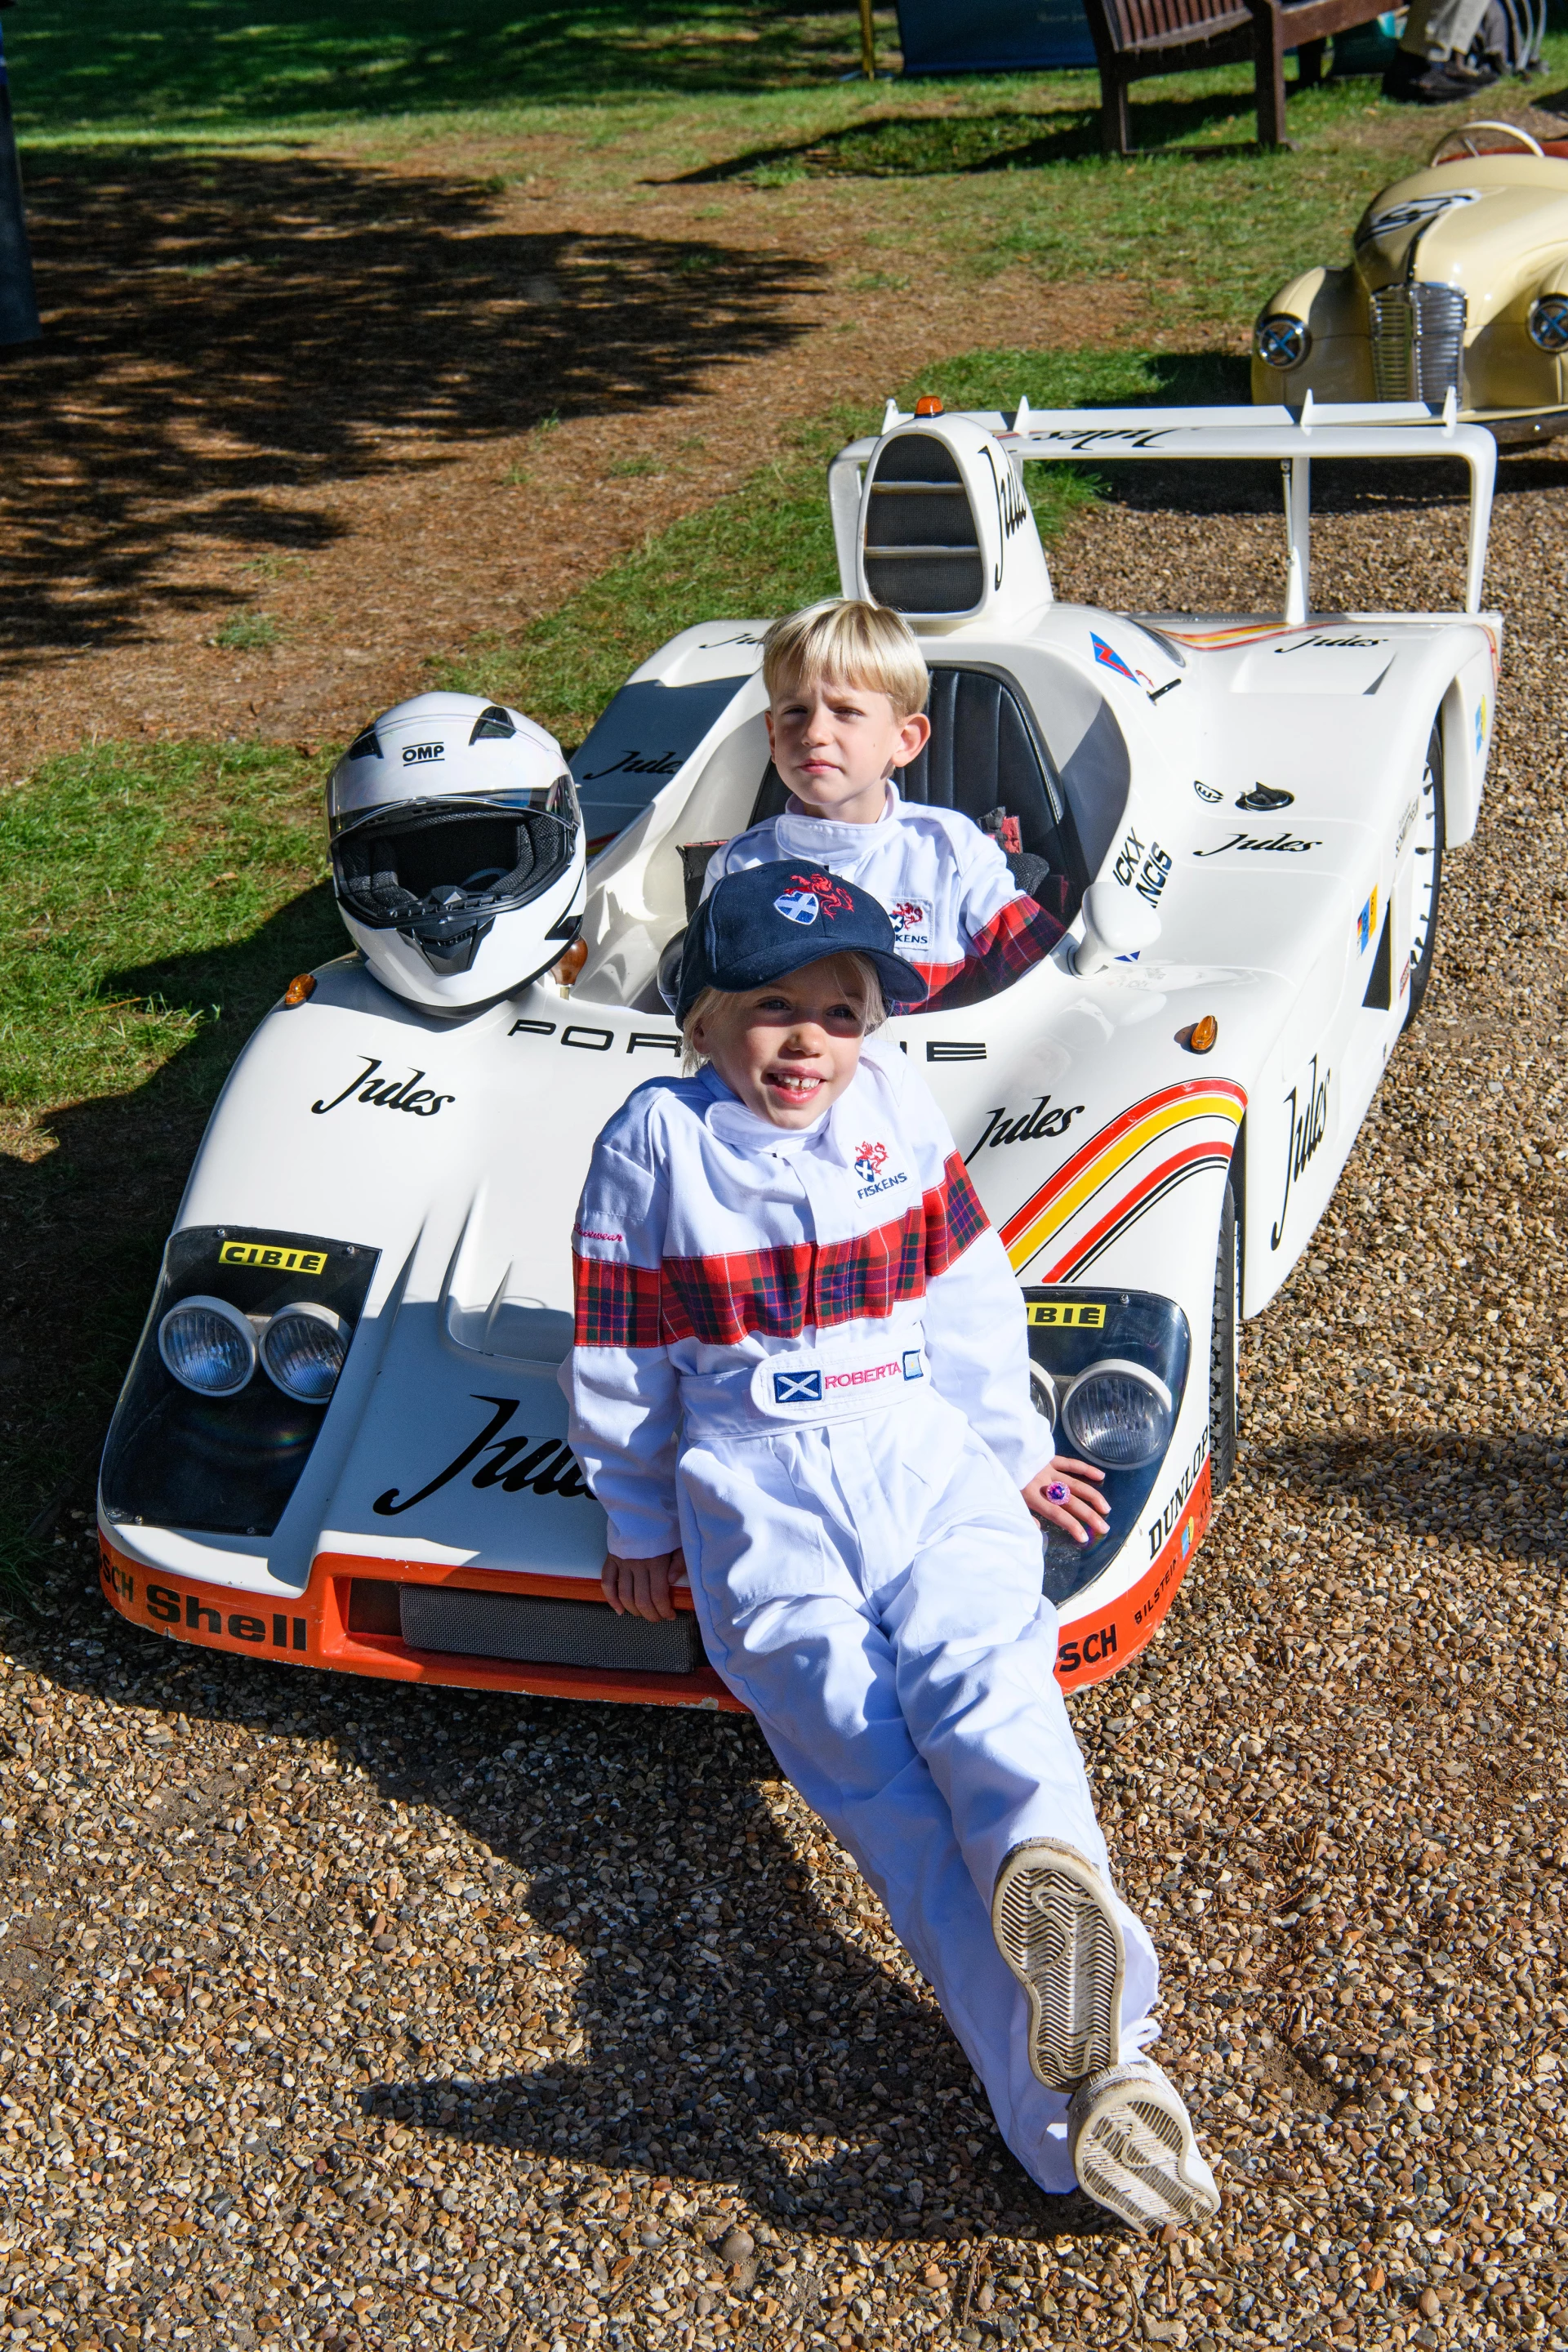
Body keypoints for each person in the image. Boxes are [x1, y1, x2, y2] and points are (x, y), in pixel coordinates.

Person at [561, 861, 1219, 2230]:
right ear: (703, 1019)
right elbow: (620, 1349)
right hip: (756, 1493)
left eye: (845, 1011)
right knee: (874, 1769)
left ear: (876, 1028)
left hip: (918, 1454)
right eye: (771, 1006)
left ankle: (1068, 1921)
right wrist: (632, 1516)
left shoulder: (894, 1109)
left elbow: (967, 1288)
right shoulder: (652, 1143)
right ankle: (1093, 2099)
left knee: (988, 1682)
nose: (808, 1040)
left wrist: (1018, 1447)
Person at [701, 599, 1065, 1012]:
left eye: (846, 711)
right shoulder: (739, 867)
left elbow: (1046, 974)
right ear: (771, 735)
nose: (814, 732)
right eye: (796, 711)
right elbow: (711, 1010)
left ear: (905, 740)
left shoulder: (950, 849)